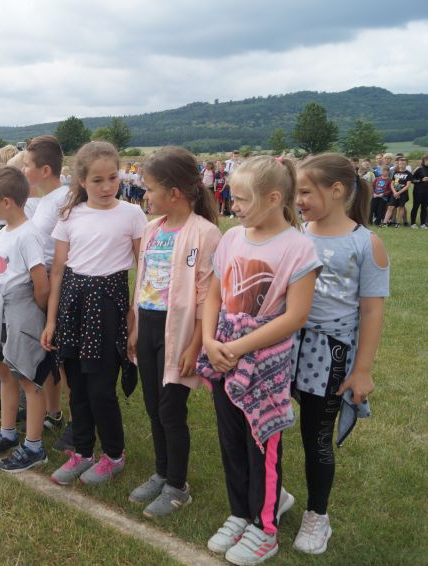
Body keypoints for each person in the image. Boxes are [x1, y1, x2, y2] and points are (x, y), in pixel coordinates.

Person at [197, 156, 321, 565]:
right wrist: (210, 341)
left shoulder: (298, 248)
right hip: (223, 355)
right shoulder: (232, 237)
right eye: (232, 197)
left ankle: (265, 527)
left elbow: (294, 316)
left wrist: (239, 347)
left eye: (242, 199)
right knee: (231, 439)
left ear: (273, 198)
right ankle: (240, 512)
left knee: (262, 443)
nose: (233, 206)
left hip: (264, 366)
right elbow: (215, 294)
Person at [293, 154, 389, 555]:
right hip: (288, 344)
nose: (298, 199)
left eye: (304, 191)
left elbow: (372, 311)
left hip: (329, 355)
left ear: (336, 191)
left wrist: (362, 370)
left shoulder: (366, 243)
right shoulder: (297, 233)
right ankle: (271, 493)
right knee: (267, 421)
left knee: (316, 435)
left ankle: (317, 516)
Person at [41, 141, 147, 486]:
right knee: (77, 386)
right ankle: (83, 452)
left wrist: (134, 318)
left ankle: (114, 455)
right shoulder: (70, 215)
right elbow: (58, 271)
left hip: (108, 307)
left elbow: (143, 271)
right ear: (82, 181)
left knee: (101, 388)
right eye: (97, 180)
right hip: (72, 305)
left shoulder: (132, 215)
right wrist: (52, 320)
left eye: (112, 178)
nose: (106, 187)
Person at [127, 147, 221, 518]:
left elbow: (205, 298)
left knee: (170, 410)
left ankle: (178, 486)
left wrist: (194, 346)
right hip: (149, 327)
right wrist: (135, 326)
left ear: (175, 192)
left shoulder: (205, 234)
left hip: (179, 334)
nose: (145, 195)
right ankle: (162, 472)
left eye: (150, 188)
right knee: (153, 406)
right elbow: (143, 282)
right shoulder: (152, 229)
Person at [0, 165, 51, 471]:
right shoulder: (6, 232)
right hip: (0, 316)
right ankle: (7, 432)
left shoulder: (28, 235)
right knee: (6, 375)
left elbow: (40, 283)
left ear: (7, 202)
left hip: (21, 317)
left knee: (29, 380)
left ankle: (34, 446)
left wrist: (37, 316)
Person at [24, 135, 71, 448]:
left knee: (64, 359)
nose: (23, 169)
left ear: (44, 170)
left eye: (27, 164)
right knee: (50, 353)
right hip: (44, 285)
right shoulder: (46, 200)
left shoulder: (63, 200)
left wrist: (49, 294)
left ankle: (76, 423)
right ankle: (53, 412)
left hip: (57, 287)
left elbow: (61, 254)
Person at [381, 156, 412, 227]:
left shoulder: (408, 174)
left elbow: (408, 186)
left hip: (403, 193)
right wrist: (395, 192)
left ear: (406, 164)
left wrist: (399, 193)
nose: (401, 165)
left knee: (401, 207)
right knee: (390, 207)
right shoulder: (395, 173)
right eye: (400, 164)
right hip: (394, 193)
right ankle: (384, 223)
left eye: (403, 164)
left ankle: (398, 223)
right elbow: (392, 183)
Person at [410, 155, 428, 229]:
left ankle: (423, 223)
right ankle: (413, 223)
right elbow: (411, 179)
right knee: (415, 207)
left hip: (426, 192)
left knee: (424, 208)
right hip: (418, 191)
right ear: (424, 160)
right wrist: (421, 180)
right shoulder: (418, 168)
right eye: (427, 160)